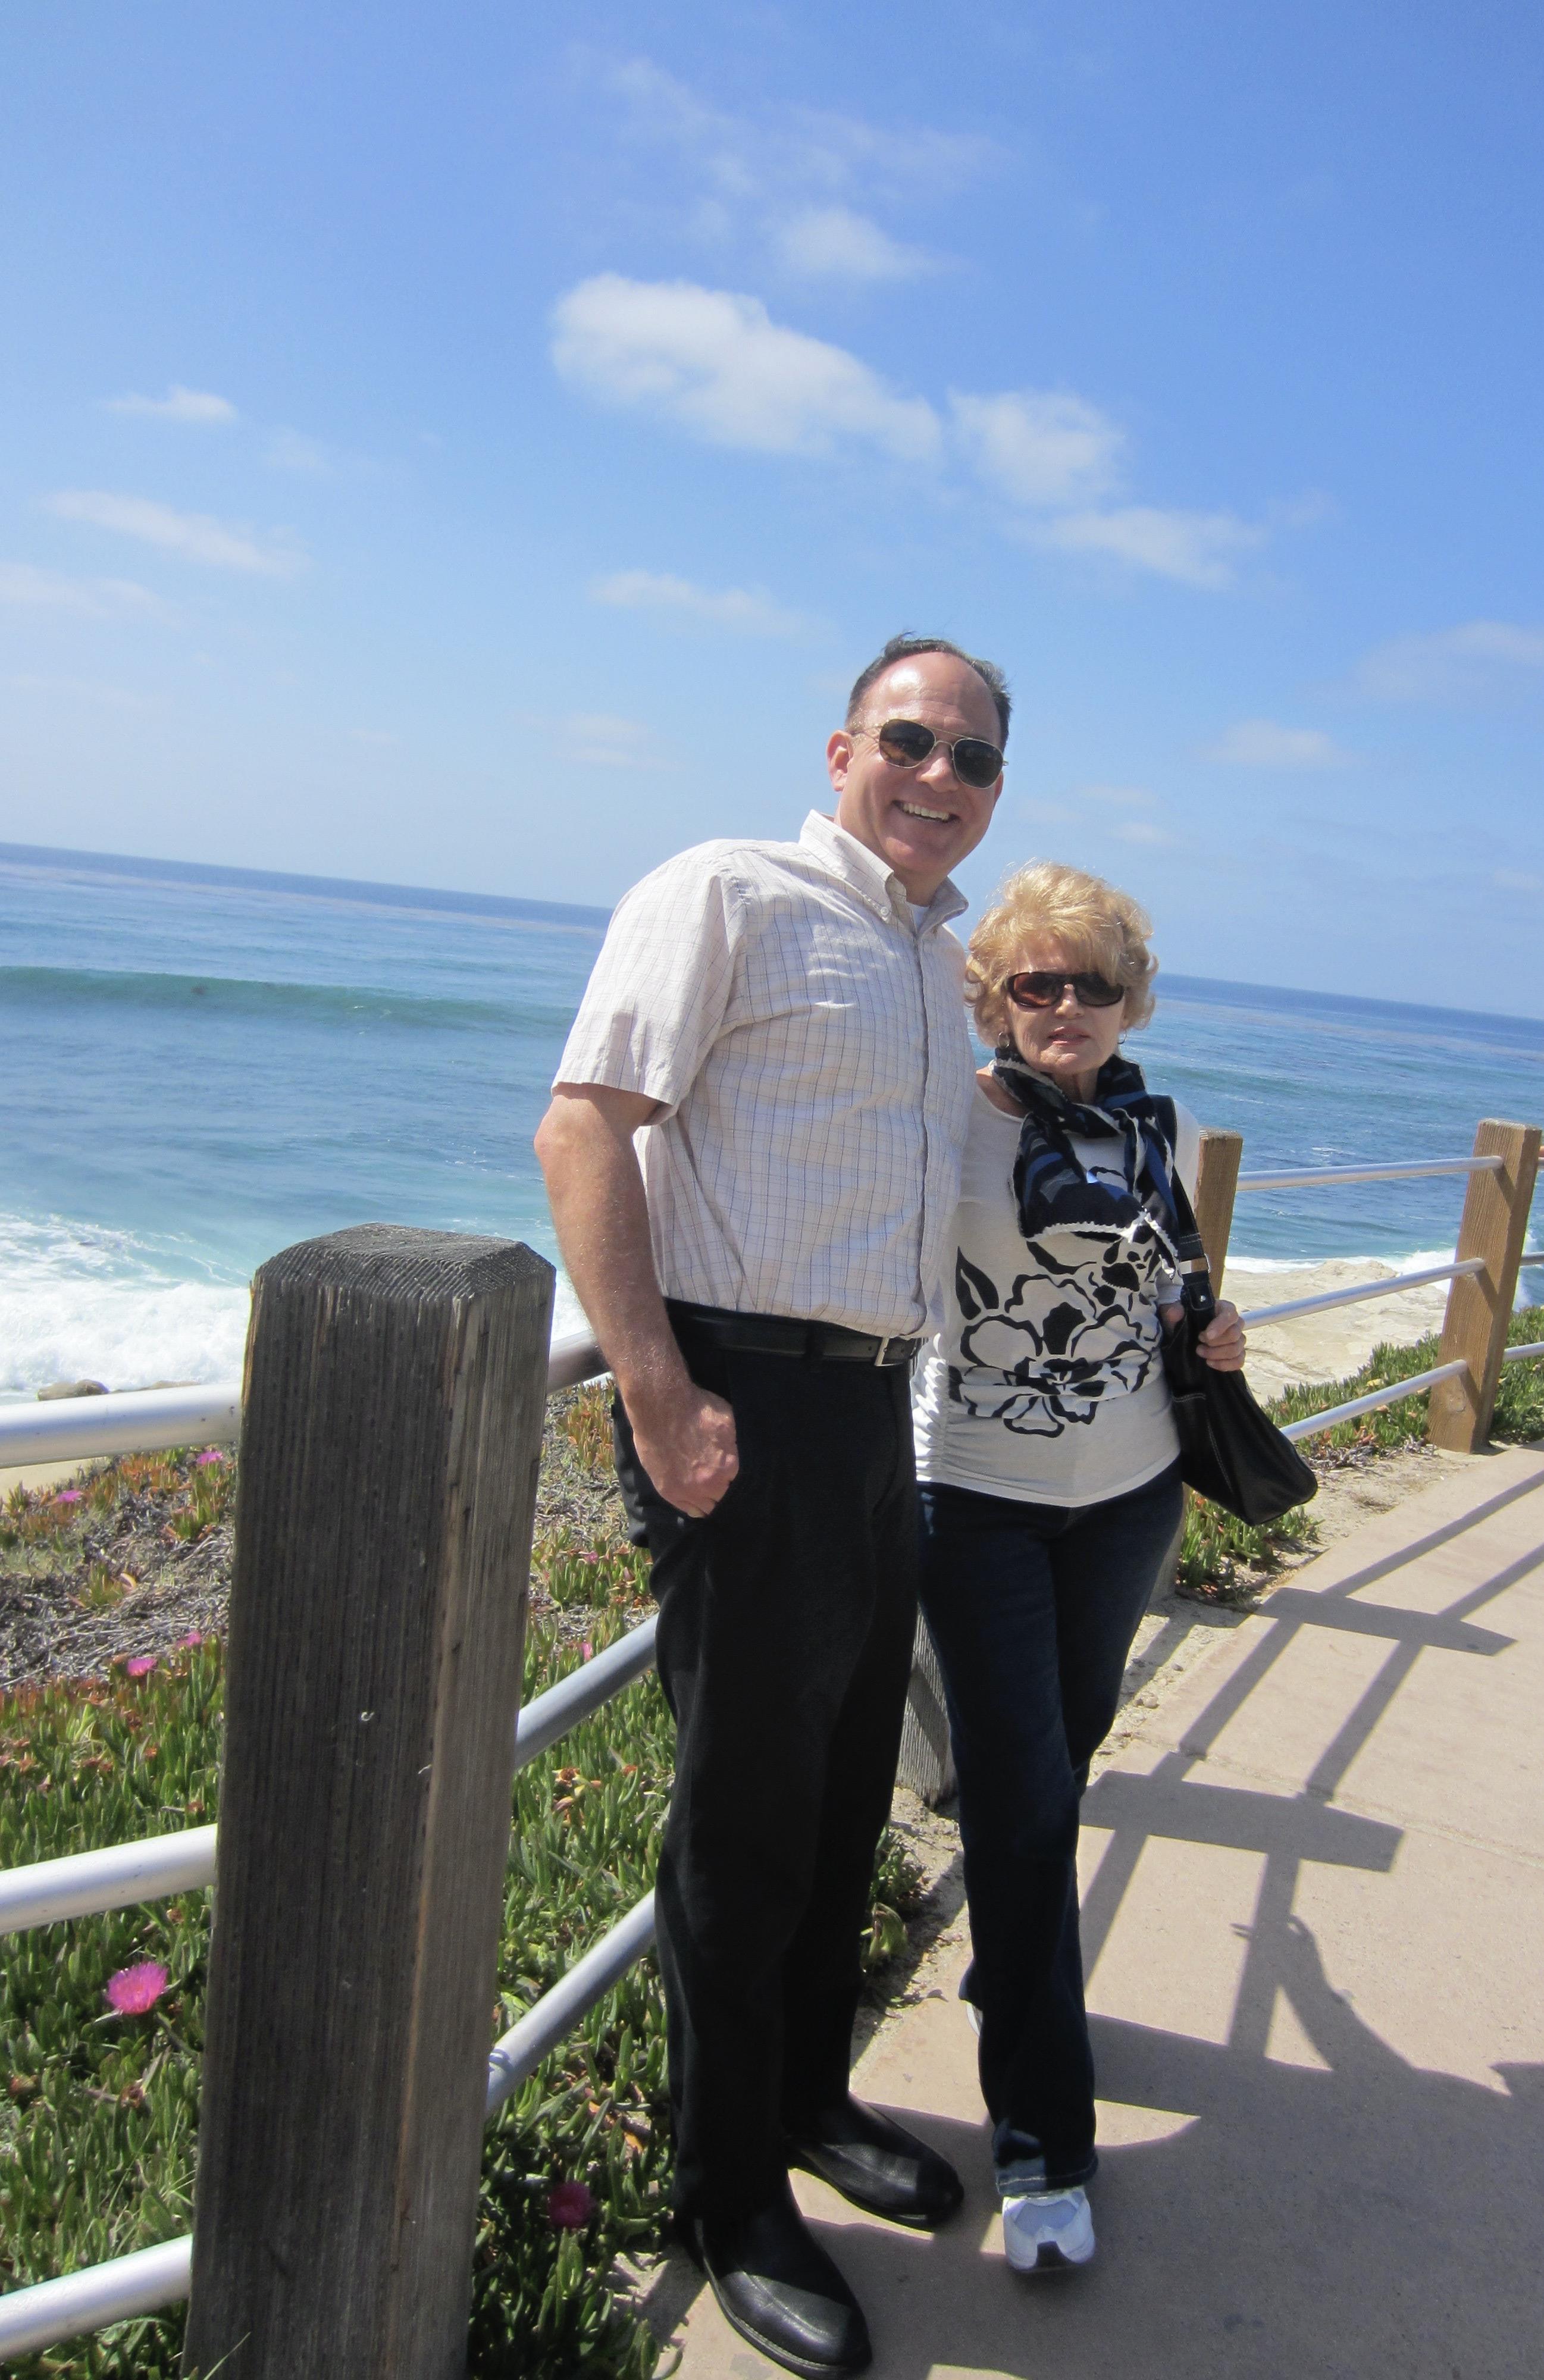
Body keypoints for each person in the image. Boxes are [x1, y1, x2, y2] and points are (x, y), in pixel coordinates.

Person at [534, 634, 1010, 2378]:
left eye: (971, 760)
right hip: (742, 1397)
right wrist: (656, 1388)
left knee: (831, 1799)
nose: (938, 778)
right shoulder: (723, 892)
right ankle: (726, 2194)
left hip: (874, 1406)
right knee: (738, 1827)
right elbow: (584, 1128)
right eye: (910, 741)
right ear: (839, 749)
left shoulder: (932, 955)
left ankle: (805, 2099)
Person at [910, 862, 1245, 2278]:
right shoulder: (942, 1119)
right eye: (1031, 982)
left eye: (1089, 983)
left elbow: (1163, 1277)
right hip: (974, 1499)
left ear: (1129, 1000)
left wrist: (1210, 1330)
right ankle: (1044, 2140)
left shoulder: (1137, 1119)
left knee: (1065, 1749)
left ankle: (1012, 1960)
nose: (1061, 1005)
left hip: (1126, 1495)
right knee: (1025, 1799)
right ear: (988, 996)